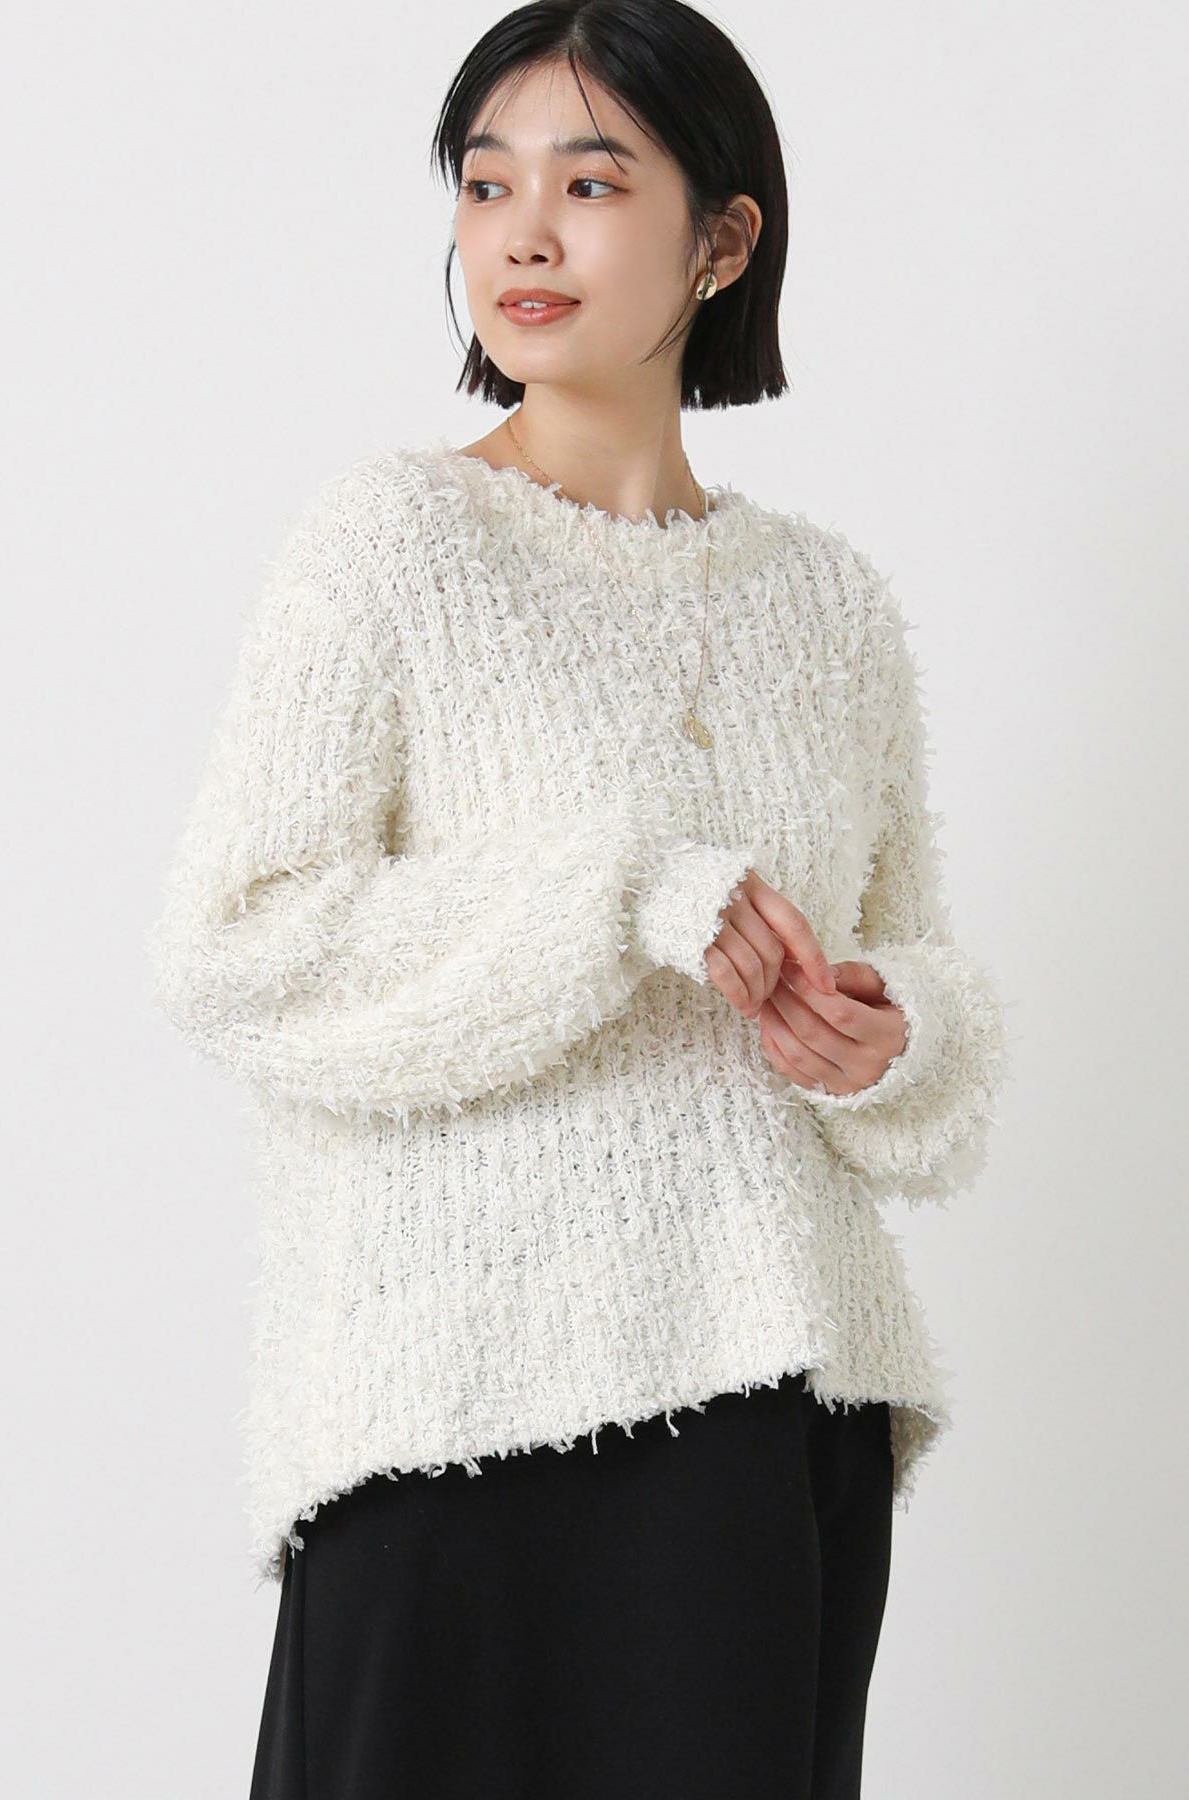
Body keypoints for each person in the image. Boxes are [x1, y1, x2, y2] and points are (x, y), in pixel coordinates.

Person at [147, 4, 1009, 1795]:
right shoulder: (394, 542)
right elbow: (238, 947)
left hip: (772, 1415)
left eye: (592, 183)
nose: (523, 236)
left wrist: (893, 1035)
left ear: (723, 240)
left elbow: (914, 982)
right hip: (452, 1423)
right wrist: (621, 897)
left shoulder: (829, 604)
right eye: (487, 185)